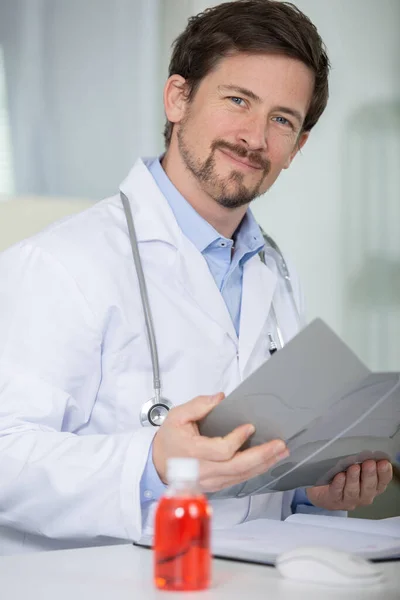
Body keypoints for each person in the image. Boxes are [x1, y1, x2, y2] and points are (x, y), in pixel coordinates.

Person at [0, 0, 392, 555]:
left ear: (297, 147)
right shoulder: (61, 263)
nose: (255, 138)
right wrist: (152, 462)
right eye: (238, 100)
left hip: (248, 578)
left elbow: (256, 478)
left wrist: (315, 491)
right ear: (178, 98)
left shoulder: (275, 273)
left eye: (283, 120)